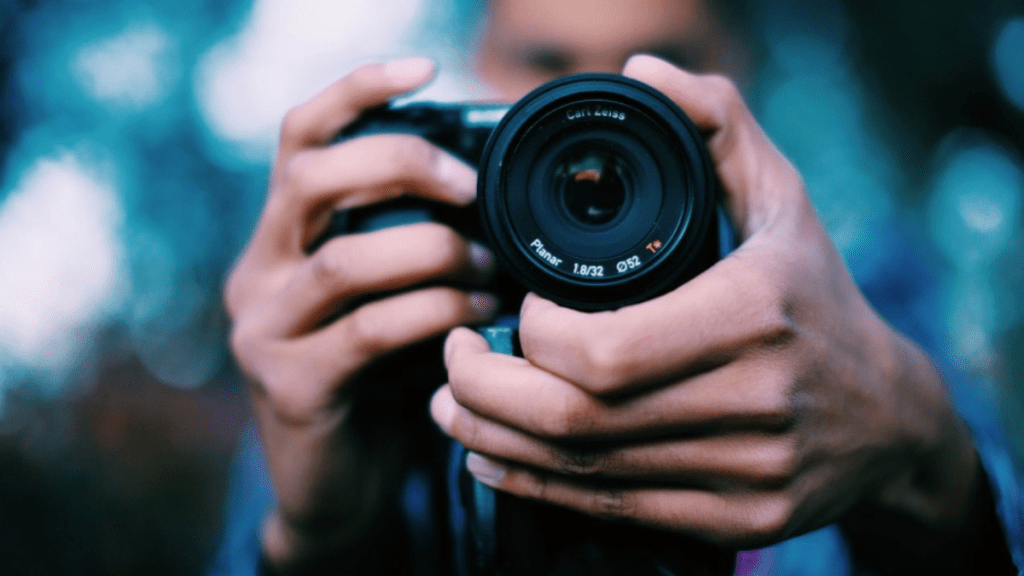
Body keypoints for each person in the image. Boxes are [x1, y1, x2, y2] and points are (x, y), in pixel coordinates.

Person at [216, 0, 1022, 574]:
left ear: (740, 67)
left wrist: (923, 457)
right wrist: (322, 540)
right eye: (546, 64)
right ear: (478, 64)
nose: (601, 109)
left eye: (662, 63)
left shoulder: (856, 296)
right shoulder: (383, 311)